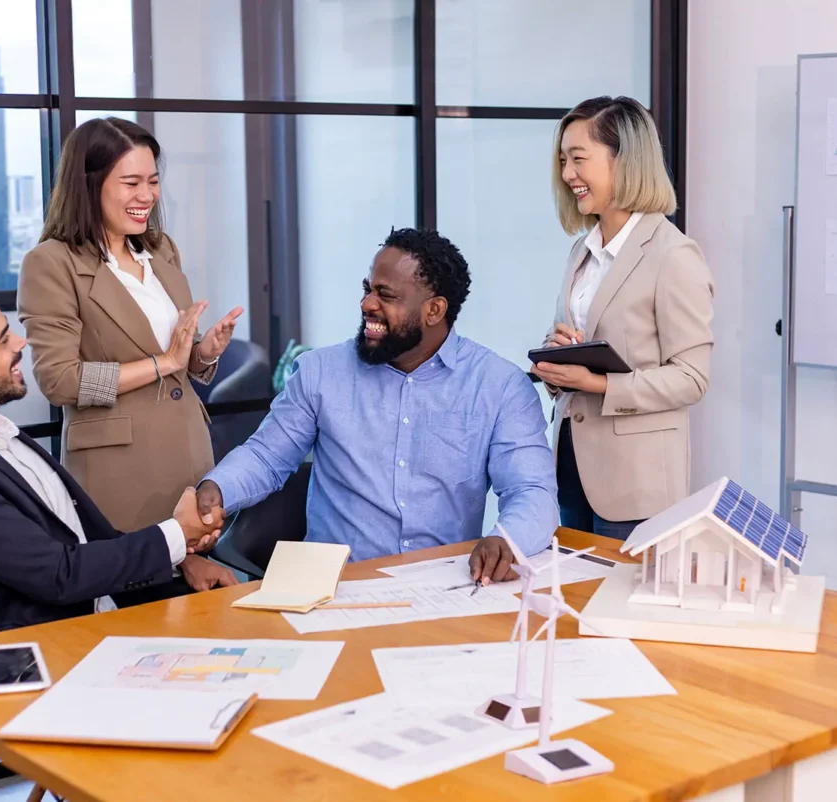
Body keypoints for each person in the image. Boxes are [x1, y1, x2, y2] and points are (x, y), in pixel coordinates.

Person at [197, 228, 559, 583]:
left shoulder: (499, 387)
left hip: (444, 588)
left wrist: (507, 540)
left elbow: (532, 491)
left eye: (386, 295)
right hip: (335, 590)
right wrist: (217, 490)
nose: (368, 304)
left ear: (434, 310)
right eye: (367, 289)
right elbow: (266, 457)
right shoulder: (319, 372)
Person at [0, 281, 238, 639]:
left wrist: (182, 558)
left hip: (100, 617)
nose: (21, 343)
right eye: (4, 339)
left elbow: (82, 537)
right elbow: (59, 574)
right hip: (33, 657)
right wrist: (177, 534)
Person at [16, 117, 243, 594]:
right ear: (90, 184)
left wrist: (203, 352)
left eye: (154, 181)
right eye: (132, 182)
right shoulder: (52, 263)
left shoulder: (160, 251)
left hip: (189, 462)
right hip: (121, 476)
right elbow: (60, 380)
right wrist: (166, 362)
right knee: (145, 625)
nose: (148, 195)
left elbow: (182, 365)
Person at [531, 96, 714, 540]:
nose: (567, 174)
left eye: (578, 159)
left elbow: (692, 378)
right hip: (572, 467)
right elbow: (588, 343)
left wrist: (599, 384)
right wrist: (557, 366)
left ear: (625, 161)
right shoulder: (582, 251)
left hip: (637, 482)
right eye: (562, 160)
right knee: (574, 599)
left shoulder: (674, 255)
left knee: (617, 606)